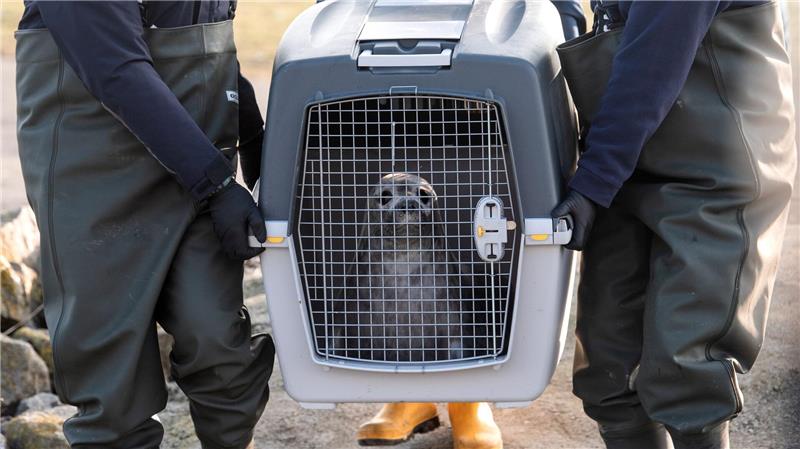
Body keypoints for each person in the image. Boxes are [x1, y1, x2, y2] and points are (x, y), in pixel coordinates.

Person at [15, 1, 273, 448]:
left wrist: (253, 138)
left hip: (195, 161)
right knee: (113, 385)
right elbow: (115, 68)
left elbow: (207, 41)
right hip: (94, 177)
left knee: (221, 350)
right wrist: (215, 185)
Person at [553, 1, 796, 448]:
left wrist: (591, 185)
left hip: (716, 170)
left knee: (688, 371)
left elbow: (653, 62)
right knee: (609, 373)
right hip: (627, 160)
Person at [355, 3, 586, 448]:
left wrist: (558, 51)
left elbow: (561, 11)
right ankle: (404, 397)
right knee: (387, 263)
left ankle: (470, 400)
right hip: (383, 77)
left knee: (486, 231)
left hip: (493, 72)